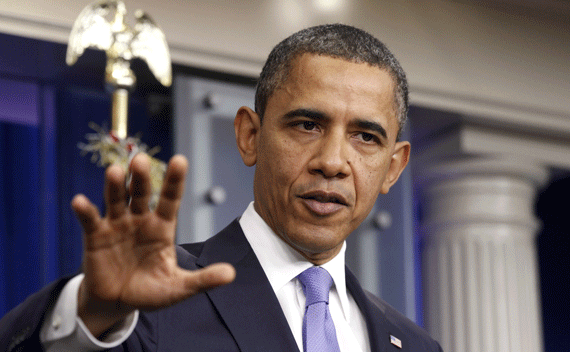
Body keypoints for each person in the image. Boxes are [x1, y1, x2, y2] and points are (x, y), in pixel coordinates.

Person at [0, 24, 442, 351]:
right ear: (250, 136)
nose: (332, 162)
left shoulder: (415, 344)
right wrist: (91, 312)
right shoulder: (149, 304)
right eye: (307, 125)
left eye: (365, 137)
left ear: (393, 167)